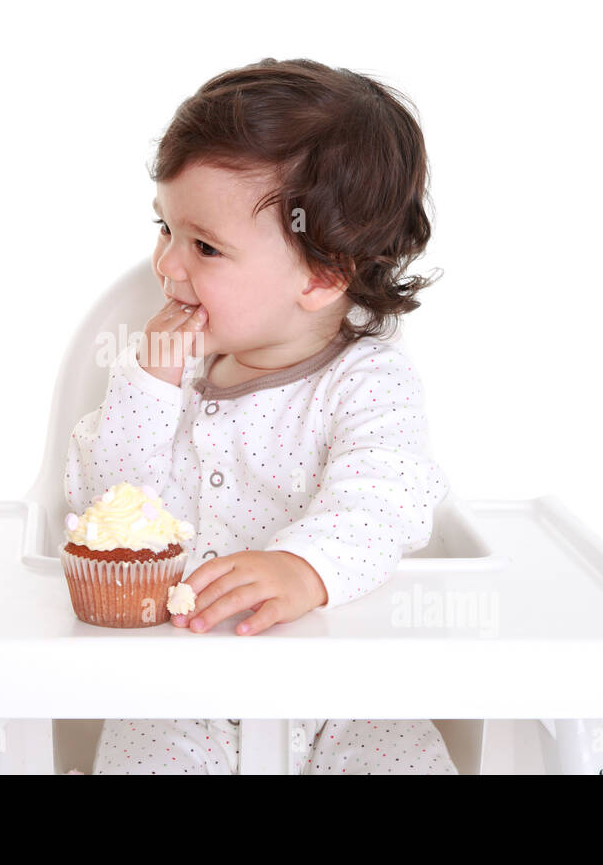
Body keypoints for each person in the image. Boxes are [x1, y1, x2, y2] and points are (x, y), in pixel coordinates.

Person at [64, 58, 457, 774]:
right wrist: (145, 389)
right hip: (181, 689)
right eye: (165, 228)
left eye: (205, 246)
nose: (168, 266)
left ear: (321, 273)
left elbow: (386, 501)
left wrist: (302, 568)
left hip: (349, 691)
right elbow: (114, 520)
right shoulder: (165, 379)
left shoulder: (370, 384)